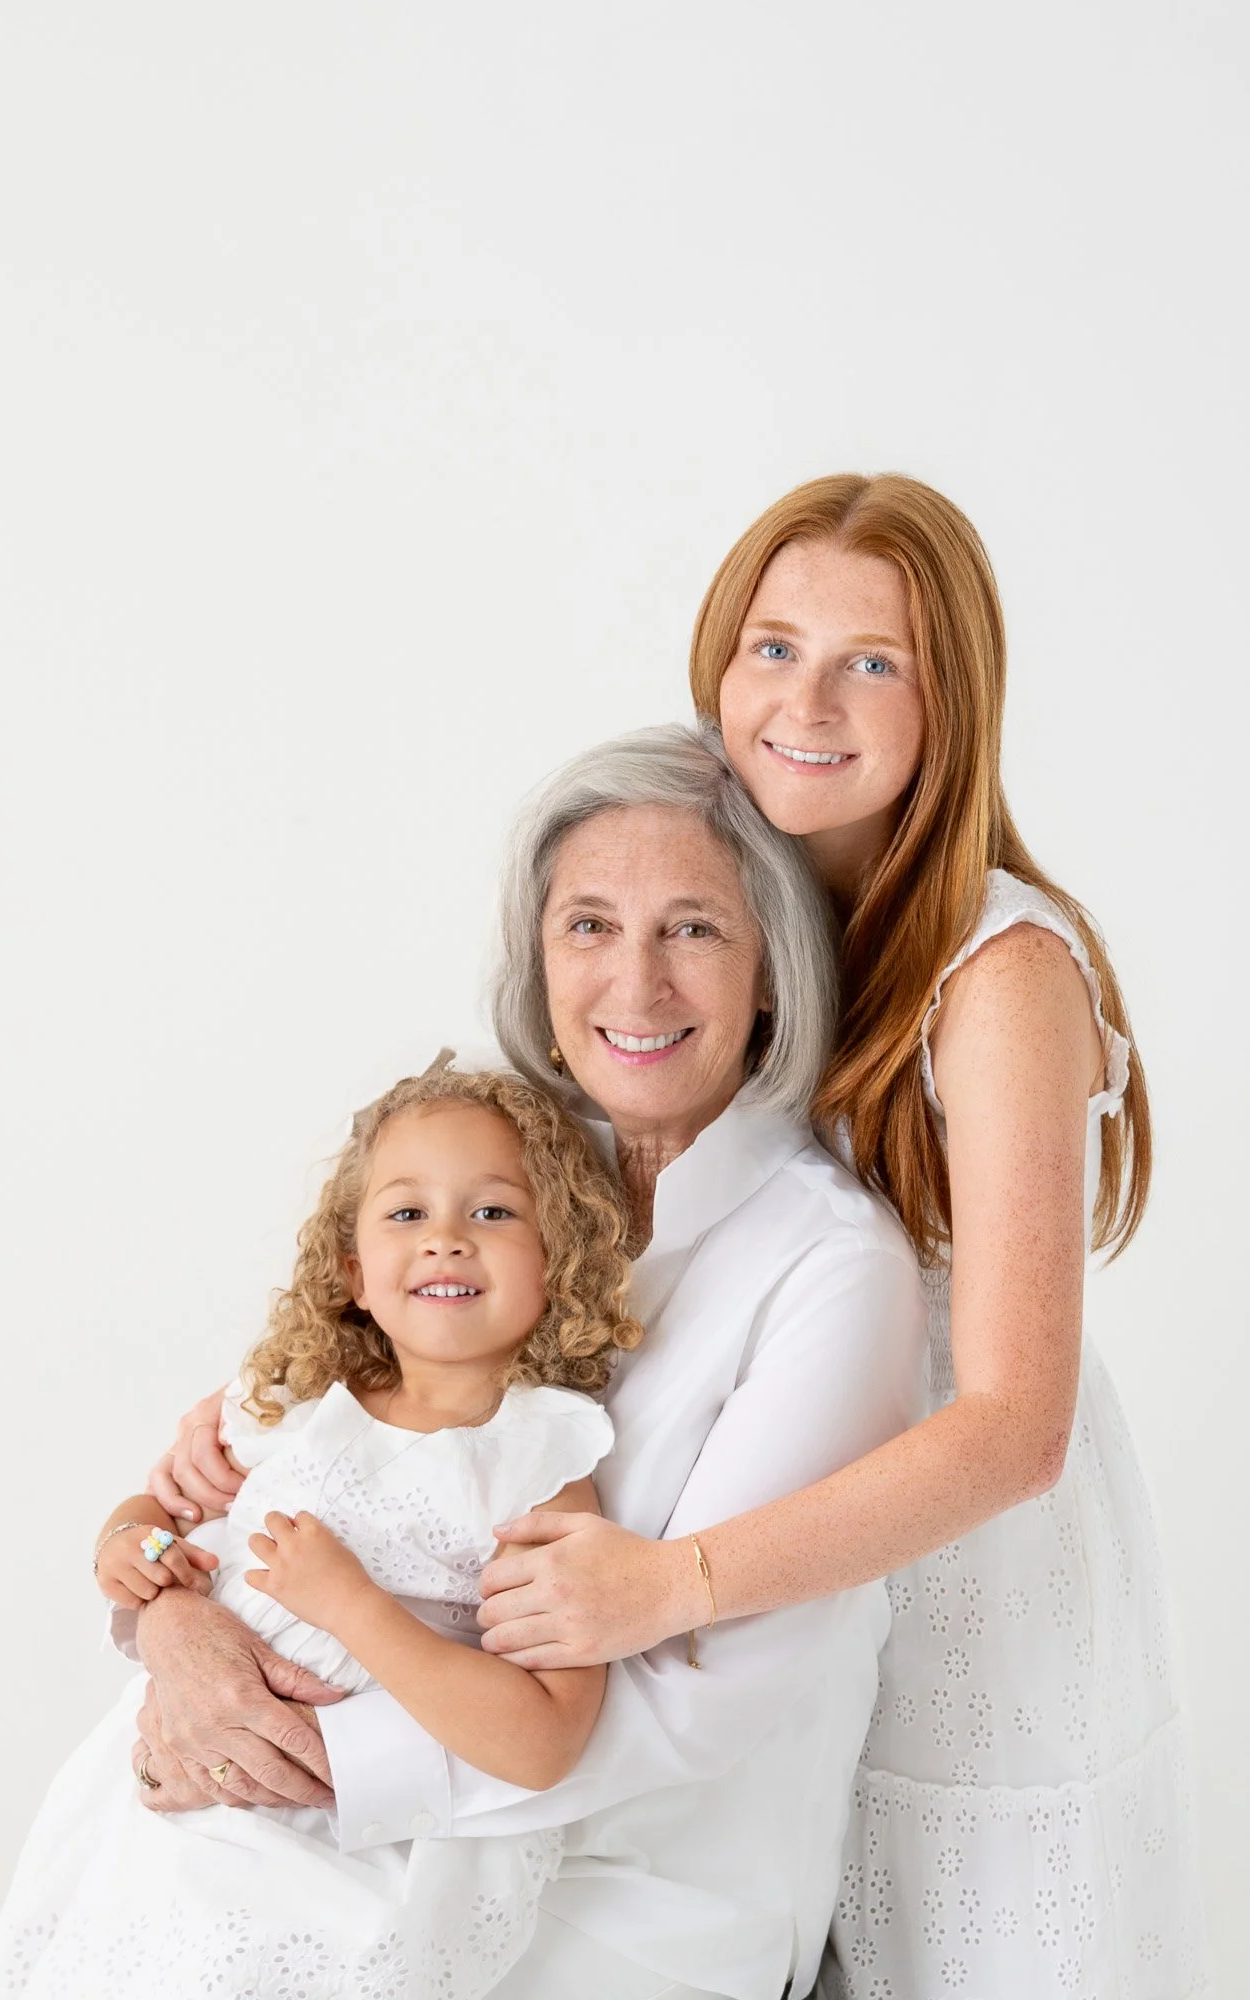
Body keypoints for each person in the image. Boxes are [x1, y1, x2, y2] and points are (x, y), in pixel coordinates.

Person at [475, 476, 1208, 1997]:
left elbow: (1013, 1429)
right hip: (771, 1548)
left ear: (953, 702)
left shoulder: (997, 975)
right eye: (772, 646)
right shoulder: (715, 883)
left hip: (953, 1579)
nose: (805, 699)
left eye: (872, 662)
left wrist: (672, 1588)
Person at [137, 726, 930, 1999]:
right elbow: (266, 1460)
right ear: (537, 955)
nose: (636, 983)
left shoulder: (834, 1268)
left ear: (771, 969)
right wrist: (178, 1628)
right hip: (356, 1814)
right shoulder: (487, 1164)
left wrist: (306, 1753)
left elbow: (690, 1694)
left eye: (694, 929)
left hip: (642, 1876)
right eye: (589, 926)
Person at [0, 1067, 640, 2000]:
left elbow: (543, 1742)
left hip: (352, 1849)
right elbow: (153, 1520)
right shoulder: (287, 1405)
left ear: (557, 1254)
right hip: (167, 1808)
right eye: (406, 1214)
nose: (444, 1237)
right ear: (354, 1270)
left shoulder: (539, 1464)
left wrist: (353, 1608)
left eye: (492, 1213)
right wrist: (131, 1546)